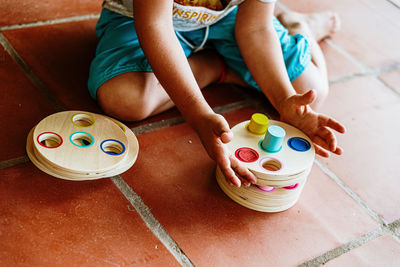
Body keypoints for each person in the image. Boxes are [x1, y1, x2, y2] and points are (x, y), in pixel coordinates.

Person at [88, 0, 346, 188]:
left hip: (229, 20)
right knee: (125, 100)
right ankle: (215, 67)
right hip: (141, 19)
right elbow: (155, 25)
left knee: (312, 89)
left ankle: (299, 25)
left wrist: (284, 100)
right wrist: (198, 113)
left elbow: (255, 28)